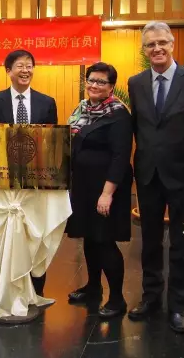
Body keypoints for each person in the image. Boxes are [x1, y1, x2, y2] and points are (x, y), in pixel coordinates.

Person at [127, 21, 184, 333]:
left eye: (162, 42)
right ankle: (150, 297)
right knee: (149, 241)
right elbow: (138, 126)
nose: (157, 49)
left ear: (173, 44)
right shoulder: (135, 83)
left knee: (180, 243)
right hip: (148, 174)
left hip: (183, 177)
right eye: (150, 44)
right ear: (144, 49)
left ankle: (177, 306)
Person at [0, 49, 58, 296]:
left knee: (34, 233)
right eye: (20, 66)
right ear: (8, 71)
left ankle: (35, 291)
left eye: (29, 65)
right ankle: (6, 288)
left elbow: (52, 143)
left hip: (36, 182)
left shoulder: (46, 102)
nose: (25, 70)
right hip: (5, 182)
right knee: (7, 235)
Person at [65, 62, 133, 319]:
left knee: (105, 241)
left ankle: (117, 298)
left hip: (106, 187)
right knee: (90, 237)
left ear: (111, 87)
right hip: (83, 185)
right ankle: (93, 286)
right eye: (90, 80)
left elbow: (120, 156)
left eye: (101, 82)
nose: (94, 85)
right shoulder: (82, 109)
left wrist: (107, 193)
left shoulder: (118, 114)